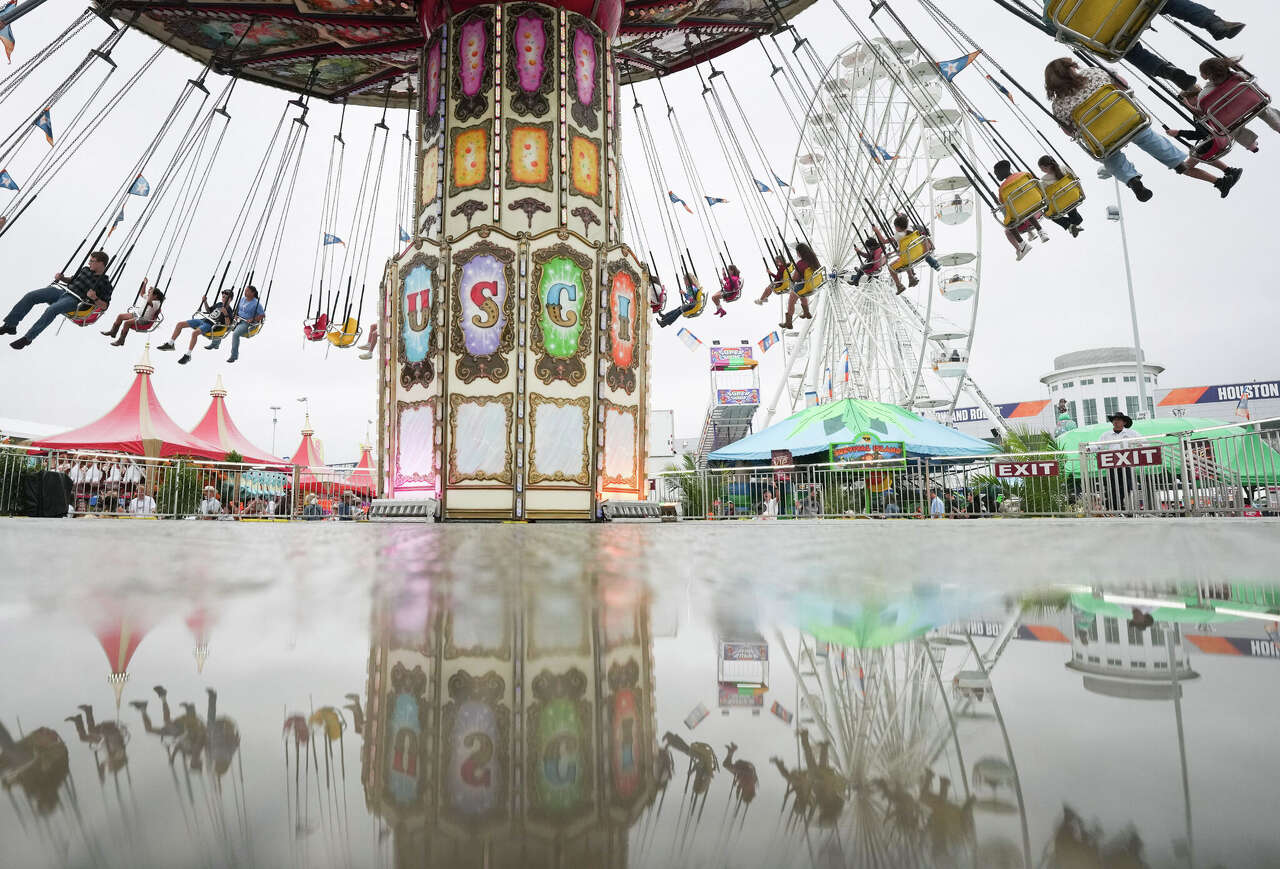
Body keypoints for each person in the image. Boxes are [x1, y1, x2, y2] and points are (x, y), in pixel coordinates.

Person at [1045, 58, 1241, 203]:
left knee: (1109, 157)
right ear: (1071, 68)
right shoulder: (1095, 73)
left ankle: (1132, 181)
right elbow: (1123, 84)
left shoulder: (1058, 106)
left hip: (1103, 138)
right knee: (1166, 152)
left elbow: (1069, 132)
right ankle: (1201, 173)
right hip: (1129, 121)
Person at [1041, 0, 1244, 91]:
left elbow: (1061, 35)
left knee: (1125, 49)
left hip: (1109, 34)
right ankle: (1213, 23)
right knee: (1168, 2)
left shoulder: (1050, 14)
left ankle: (1167, 72)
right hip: (1133, 5)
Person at [2, 250, 113, 349]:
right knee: (31, 296)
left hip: (76, 301)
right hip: (62, 292)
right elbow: (71, 280)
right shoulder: (85, 270)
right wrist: (62, 278)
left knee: (52, 309)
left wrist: (95, 298)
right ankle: (10, 325)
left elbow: (105, 306)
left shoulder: (105, 284)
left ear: (101, 263)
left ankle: (28, 338)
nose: (89, 263)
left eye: (92, 261)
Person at [157, 289, 234, 364]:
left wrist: (226, 314)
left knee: (194, 333)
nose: (223, 299)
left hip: (210, 325)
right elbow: (208, 310)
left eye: (226, 298)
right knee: (179, 324)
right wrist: (205, 301)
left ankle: (188, 355)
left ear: (230, 299)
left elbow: (228, 324)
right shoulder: (219, 304)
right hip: (203, 320)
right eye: (223, 297)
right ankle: (170, 344)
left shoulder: (229, 311)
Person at [994, 160, 1049, 260]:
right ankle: (1041, 231)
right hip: (1036, 201)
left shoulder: (1002, 188)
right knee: (1026, 208)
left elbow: (1004, 204)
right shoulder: (1024, 174)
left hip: (1020, 211)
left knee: (1008, 223)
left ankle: (1022, 244)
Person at [1091, 410, 1141, 512]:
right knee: (1112, 486)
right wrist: (1088, 448)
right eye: (1114, 420)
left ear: (1124, 422)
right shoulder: (1106, 435)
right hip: (1112, 464)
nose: (1116, 422)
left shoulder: (1132, 433)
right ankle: (1114, 507)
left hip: (1126, 463)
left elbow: (1144, 442)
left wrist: (1139, 449)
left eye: (1118, 420)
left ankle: (1115, 505)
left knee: (1127, 486)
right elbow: (1098, 446)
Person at [205, 285, 264, 363]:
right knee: (224, 323)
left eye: (247, 291)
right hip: (238, 319)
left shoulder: (257, 304)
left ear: (252, 293)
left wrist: (252, 319)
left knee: (235, 334)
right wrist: (235, 315)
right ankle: (215, 343)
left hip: (247, 323)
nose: (245, 292)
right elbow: (238, 309)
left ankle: (234, 356)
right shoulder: (243, 299)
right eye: (245, 290)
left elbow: (262, 315)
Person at [1037, 156, 1084, 237]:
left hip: (1059, 204)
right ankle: (1074, 224)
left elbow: (1043, 197)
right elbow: (1075, 178)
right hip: (1073, 196)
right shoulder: (1064, 168)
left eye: (1041, 168)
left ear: (1046, 167)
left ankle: (1070, 225)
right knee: (1073, 212)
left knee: (1050, 215)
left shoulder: (1043, 181)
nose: (1041, 170)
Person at [891, 213, 941, 288]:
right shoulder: (916, 228)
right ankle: (931, 262)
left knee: (905, 255)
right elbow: (926, 234)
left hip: (912, 256)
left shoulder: (900, 236)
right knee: (921, 243)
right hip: (923, 251)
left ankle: (911, 275)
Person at [780, 243, 820, 329]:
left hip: (806, 286)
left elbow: (795, 279)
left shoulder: (800, 263)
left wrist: (791, 278)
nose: (797, 254)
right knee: (801, 294)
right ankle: (807, 313)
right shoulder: (814, 259)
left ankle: (788, 323)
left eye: (797, 252)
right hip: (814, 284)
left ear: (800, 252)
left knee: (791, 300)